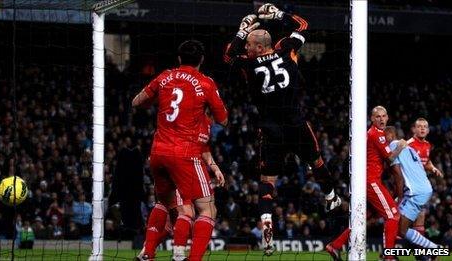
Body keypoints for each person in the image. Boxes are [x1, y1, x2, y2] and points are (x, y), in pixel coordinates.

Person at [224, 3, 341, 255]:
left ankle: (267, 226)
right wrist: (278, 15)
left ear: (258, 47)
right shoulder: (285, 50)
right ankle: (331, 195)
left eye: (249, 46)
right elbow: (303, 26)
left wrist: (242, 31)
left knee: (267, 182)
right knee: (317, 162)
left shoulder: (249, 64)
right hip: (297, 123)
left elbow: (228, 56)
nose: (246, 48)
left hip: (270, 130)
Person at [132, 40, 228, 261]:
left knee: (166, 205)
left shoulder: (164, 77)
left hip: (158, 153)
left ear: (178, 58)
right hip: (184, 154)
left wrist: (156, 102)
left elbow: (136, 102)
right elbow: (223, 120)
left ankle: (147, 253)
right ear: (201, 60)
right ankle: (184, 257)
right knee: (207, 209)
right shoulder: (205, 83)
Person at [136, 116, 225, 260]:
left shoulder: (205, 121)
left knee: (169, 212)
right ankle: (177, 255)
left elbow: (204, 148)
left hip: (163, 157)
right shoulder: (192, 110)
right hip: (181, 163)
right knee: (190, 210)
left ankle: (147, 252)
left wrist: (215, 168)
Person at [326, 106, 406, 261]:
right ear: (372, 119)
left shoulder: (373, 134)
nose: (381, 119)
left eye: (383, 116)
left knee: (363, 218)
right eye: (378, 117)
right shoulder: (377, 134)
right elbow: (390, 159)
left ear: (388, 118)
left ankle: (334, 246)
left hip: (368, 180)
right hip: (371, 182)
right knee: (394, 215)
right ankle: (389, 257)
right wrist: (401, 146)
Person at [384, 126, 440, 249]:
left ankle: (434, 249)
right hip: (424, 189)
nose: (382, 139)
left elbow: (399, 178)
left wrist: (399, 198)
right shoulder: (410, 149)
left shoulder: (393, 146)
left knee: (399, 228)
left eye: (384, 136)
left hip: (415, 192)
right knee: (400, 224)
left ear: (390, 135)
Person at [407, 118, 443, 236]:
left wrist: (433, 168)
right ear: (414, 129)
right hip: (409, 187)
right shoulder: (408, 145)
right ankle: (391, 248)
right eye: (419, 126)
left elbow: (426, 162)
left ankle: (419, 251)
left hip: (420, 187)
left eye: (425, 127)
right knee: (404, 218)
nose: (422, 128)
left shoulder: (428, 145)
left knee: (420, 215)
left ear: (428, 130)